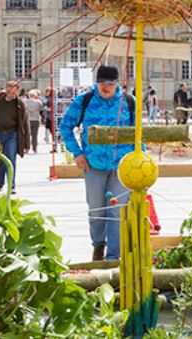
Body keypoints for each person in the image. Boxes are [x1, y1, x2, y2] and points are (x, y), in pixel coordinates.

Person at [59, 65, 136, 261]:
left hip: (122, 165)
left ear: (117, 83)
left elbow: (138, 134)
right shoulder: (84, 100)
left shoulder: (128, 102)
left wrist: (138, 159)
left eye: (110, 83)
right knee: (96, 209)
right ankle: (98, 245)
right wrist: (77, 153)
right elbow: (65, 126)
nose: (105, 87)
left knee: (117, 210)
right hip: (93, 165)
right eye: (102, 83)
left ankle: (114, 256)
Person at [0, 81, 31, 194]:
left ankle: (12, 185)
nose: (12, 95)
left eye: (14, 93)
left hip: (12, 134)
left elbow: (25, 124)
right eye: (10, 92)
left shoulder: (20, 104)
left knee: (10, 159)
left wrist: (27, 144)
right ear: (6, 89)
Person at [23, 89, 44, 154]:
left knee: (27, 135)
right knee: (35, 135)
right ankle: (35, 149)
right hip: (36, 119)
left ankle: (27, 148)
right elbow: (41, 109)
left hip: (28, 119)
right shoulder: (38, 102)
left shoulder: (25, 102)